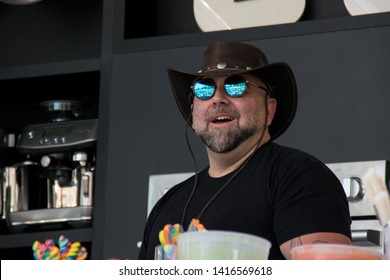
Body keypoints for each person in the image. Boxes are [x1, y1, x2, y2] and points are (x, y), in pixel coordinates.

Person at [138, 41, 352, 260]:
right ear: (193, 113)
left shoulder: (300, 177)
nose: (218, 99)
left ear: (269, 110)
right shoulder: (167, 204)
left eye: (236, 86)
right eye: (204, 89)